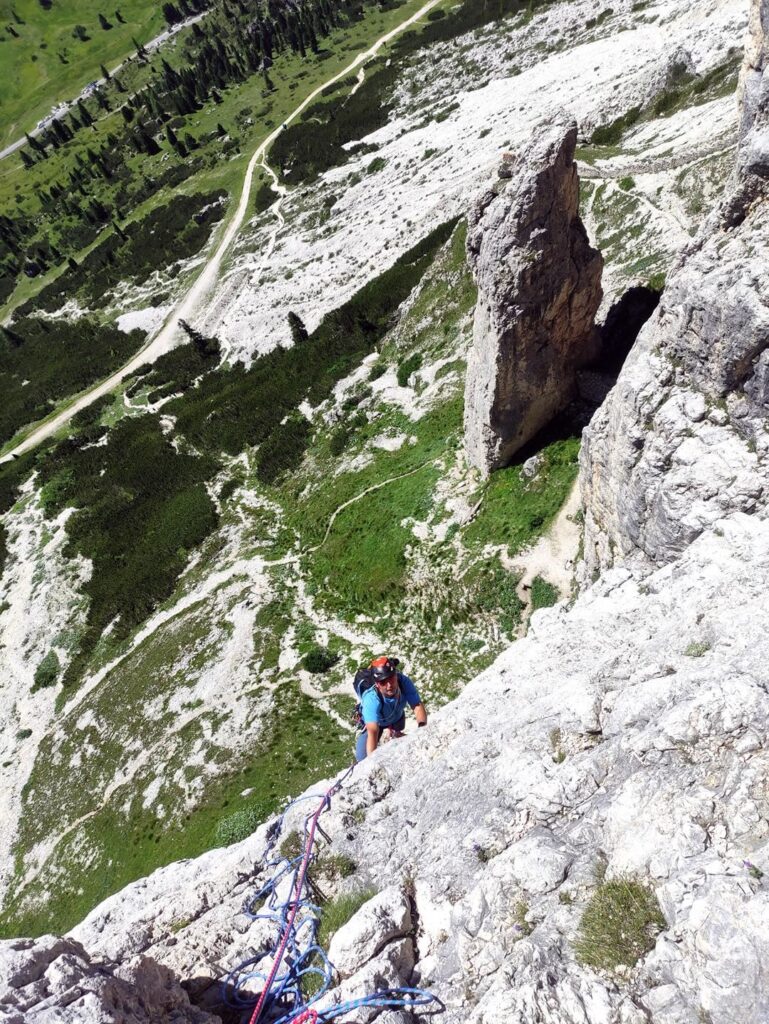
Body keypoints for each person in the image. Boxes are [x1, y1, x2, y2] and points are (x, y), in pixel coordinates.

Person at [355, 656, 427, 762]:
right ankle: (391, 733)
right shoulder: (371, 699)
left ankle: (393, 733)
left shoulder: (404, 682)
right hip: (377, 724)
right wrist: (371, 763)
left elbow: (417, 706)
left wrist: (422, 731)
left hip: (397, 718)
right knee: (362, 758)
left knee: (399, 729)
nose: (389, 685)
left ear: (396, 675)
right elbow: (373, 731)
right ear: (377, 684)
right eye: (383, 682)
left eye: (391, 679)